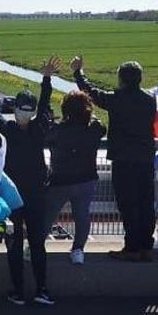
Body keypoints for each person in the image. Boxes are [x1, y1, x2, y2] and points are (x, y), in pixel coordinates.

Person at [0, 39, 59, 306]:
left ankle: (18, 291)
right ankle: (42, 289)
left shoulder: (5, 130)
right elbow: (45, 109)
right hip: (36, 195)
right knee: (38, 243)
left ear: (15, 109)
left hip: (11, 195)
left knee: (15, 243)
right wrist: (45, 80)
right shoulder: (39, 129)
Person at [71, 55, 158, 262]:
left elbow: (90, 92)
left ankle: (132, 248)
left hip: (124, 160)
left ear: (121, 79)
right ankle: (146, 246)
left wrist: (77, 72)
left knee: (128, 204)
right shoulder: (149, 100)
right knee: (146, 203)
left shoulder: (117, 99)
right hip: (145, 159)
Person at [43, 90, 107, 265]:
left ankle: (36, 247)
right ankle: (78, 250)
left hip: (59, 180)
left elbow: (46, 135)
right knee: (82, 215)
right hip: (86, 179)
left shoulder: (56, 130)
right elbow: (101, 127)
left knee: (48, 216)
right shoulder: (93, 129)